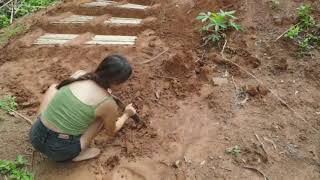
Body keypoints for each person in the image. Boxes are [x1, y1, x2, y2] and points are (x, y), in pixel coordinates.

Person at [29, 54, 136, 162]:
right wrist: (126, 115)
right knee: (100, 118)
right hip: (60, 152)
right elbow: (111, 131)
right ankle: (78, 154)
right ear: (116, 82)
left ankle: (41, 121)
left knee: (54, 88)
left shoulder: (79, 74)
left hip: (35, 136)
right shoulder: (108, 103)